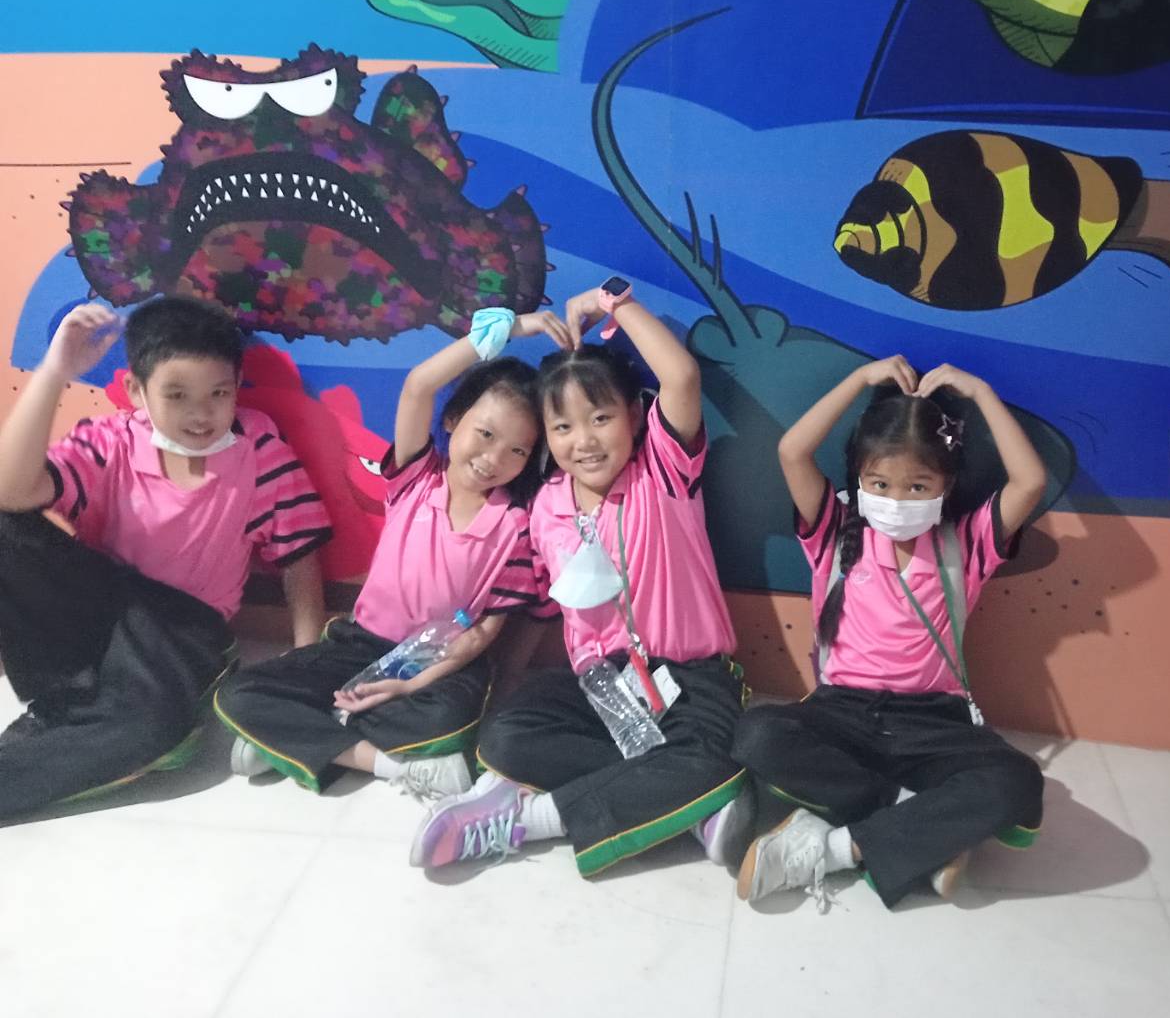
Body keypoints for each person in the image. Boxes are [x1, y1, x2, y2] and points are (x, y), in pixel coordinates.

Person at [409, 277, 754, 876]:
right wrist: (496, 679)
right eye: (563, 427)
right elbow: (540, 606)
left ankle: (532, 818)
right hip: (602, 687)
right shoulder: (546, 505)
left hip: (689, 681)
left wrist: (611, 302)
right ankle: (679, 803)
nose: (585, 441)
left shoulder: (662, 474)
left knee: (718, 753)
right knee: (506, 736)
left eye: (600, 418)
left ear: (635, 416)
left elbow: (681, 378)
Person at [214, 307, 571, 798]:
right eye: (485, 434)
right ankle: (386, 764)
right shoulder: (416, 478)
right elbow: (419, 386)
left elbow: (482, 635)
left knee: (452, 716)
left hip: (436, 667)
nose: (493, 459)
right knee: (239, 693)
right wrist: (506, 330)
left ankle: (293, 736)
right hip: (358, 645)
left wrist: (409, 686)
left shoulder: (517, 526)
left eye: (518, 451)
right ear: (454, 420)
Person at [731, 356, 1048, 909]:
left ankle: (837, 847)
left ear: (946, 486)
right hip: (842, 711)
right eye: (879, 483)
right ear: (859, 479)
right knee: (757, 734)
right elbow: (792, 452)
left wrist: (981, 392)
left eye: (917, 485)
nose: (897, 501)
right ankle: (913, 822)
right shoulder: (835, 534)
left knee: (1016, 780)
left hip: (933, 721)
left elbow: (1030, 481)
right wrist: (857, 380)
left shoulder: (964, 544)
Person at [0, 297, 330, 821]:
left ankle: (94, 726)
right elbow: (10, 493)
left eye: (219, 394)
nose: (201, 414)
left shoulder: (256, 446)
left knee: (152, 729)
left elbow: (300, 555)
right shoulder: (112, 440)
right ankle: (73, 703)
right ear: (137, 390)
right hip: (104, 607)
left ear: (236, 387)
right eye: (177, 395)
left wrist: (306, 666)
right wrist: (54, 371)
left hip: (185, 632)